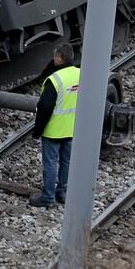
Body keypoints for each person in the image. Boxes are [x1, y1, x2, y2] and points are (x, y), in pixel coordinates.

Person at [30, 42, 80, 208]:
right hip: (72, 129)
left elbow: (44, 109)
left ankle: (48, 197)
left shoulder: (54, 80)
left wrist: (37, 131)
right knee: (66, 162)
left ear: (60, 58)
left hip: (54, 131)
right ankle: (63, 193)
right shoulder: (80, 74)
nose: (53, 59)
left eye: (54, 56)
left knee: (50, 164)